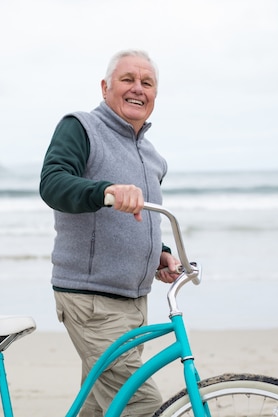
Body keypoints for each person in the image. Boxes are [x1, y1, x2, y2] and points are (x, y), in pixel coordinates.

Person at [39, 49, 180, 417]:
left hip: (134, 301)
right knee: (140, 401)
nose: (138, 89)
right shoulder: (81, 127)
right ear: (105, 87)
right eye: (128, 80)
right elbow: (53, 184)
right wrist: (105, 190)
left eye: (147, 83)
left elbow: (136, 220)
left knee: (100, 406)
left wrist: (159, 253)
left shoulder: (152, 156)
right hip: (91, 300)